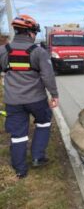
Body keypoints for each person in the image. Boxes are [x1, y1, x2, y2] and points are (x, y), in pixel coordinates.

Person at [0, 14, 59, 179]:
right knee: (44, 121)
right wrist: (54, 95)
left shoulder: (3, 51)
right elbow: (48, 76)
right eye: (35, 32)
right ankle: (37, 157)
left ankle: (20, 170)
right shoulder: (39, 52)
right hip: (36, 99)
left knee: (18, 134)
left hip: (13, 101)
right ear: (31, 32)